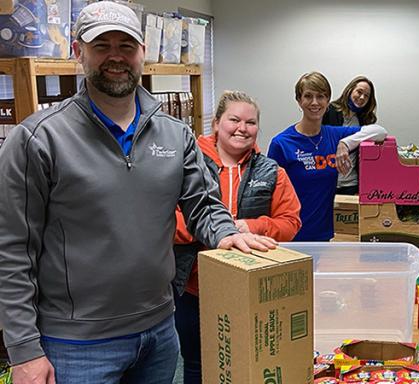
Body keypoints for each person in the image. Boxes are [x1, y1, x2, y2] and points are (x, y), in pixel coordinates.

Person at [0, 3, 276, 383]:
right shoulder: (38, 138)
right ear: (78, 52)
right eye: (102, 46)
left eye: (126, 45)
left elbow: (202, 204)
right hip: (76, 344)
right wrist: (24, 349)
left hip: (160, 332)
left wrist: (226, 232)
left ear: (143, 52)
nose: (116, 56)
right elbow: (12, 248)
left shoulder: (175, 134)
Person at [173, 91, 301, 384]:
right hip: (191, 288)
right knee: (196, 364)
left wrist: (249, 227)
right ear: (217, 123)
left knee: (248, 365)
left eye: (251, 122)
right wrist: (212, 229)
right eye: (234, 120)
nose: (242, 128)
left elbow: (290, 222)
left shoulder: (271, 171)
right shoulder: (186, 166)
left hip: (250, 290)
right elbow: (165, 221)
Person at [268, 72, 387, 241]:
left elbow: (380, 132)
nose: (315, 102)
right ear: (299, 100)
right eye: (308, 96)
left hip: (323, 235)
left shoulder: (334, 135)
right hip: (290, 236)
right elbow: (269, 194)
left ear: (328, 100)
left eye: (321, 96)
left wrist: (346, 143)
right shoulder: (281, 143)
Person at [322, 75, 378, 195]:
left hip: (351, 184)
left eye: (366, 96)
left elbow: (381, 133)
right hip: (327, 181)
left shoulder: (366, 120)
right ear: (350, 90)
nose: (362, 97)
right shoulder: (329, 110)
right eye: (359, 92)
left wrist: (345, 143)